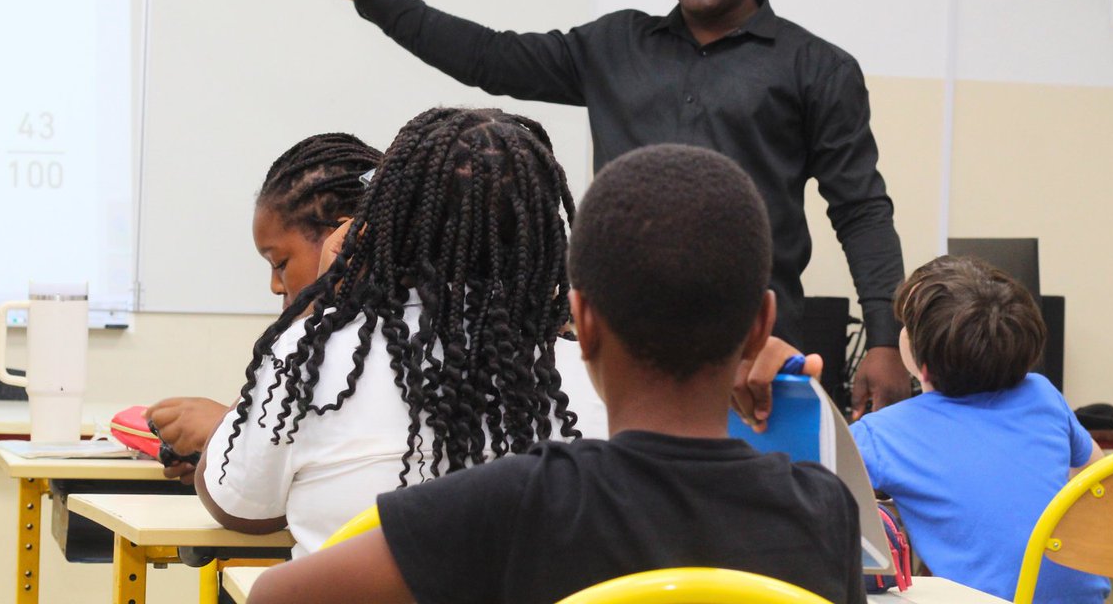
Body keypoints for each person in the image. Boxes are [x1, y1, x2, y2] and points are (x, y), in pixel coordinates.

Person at [298, 0, 909, 415]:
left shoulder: (817, 68)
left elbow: (860, 210)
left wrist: (884, 339)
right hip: (620, 345)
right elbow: (488, 56)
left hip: (755, 353)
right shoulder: (615, 46)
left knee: (745, 531)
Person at [245, 144, 867, 604]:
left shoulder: (514, 502)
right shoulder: (826, 514)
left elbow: (274, 598)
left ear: (581, 322)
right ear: (761, 326)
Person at [195, 108, 606, 555]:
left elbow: (240, 506)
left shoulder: (309, 363)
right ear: (543, 233)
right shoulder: (595, 380)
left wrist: (325, 305)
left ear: (379, 222)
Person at [847, 257, 1108, 603]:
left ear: (922, 367)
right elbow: (1096, 475)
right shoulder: (1042, 393)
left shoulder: (879, 434)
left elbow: (821, 502)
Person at [146, 132, 383, 484]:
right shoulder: (316, 348)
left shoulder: (382, 345)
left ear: (346, 237)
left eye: (280, 262)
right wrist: (219, 452)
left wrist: (226, 432)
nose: (275, 285)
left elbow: (339, 469)